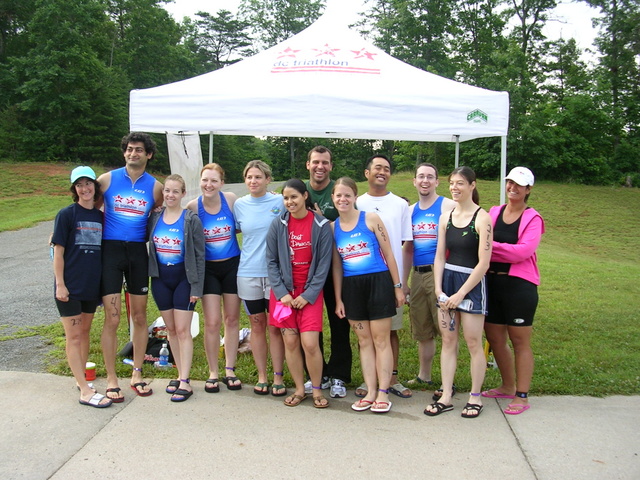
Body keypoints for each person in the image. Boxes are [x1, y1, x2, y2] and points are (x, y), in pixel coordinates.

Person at [97, 132, 163, 402]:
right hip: (110, 251)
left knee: (138, 317)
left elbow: (163, 213)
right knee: (112, 318)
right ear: (124, 152)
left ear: (148, 155)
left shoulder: (156, 186)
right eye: (129, 149)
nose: (133, 153)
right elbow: (85, 206)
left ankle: (136, 373)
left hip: (137, 252)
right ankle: (112, 378)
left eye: (139, 150)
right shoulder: (107, 179)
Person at [332, 177, 405, 414]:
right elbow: (336, 266)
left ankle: (383, 392)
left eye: (347, 195)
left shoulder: (370, 219)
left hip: (378, 283)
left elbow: (390, 254)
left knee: (381, 340)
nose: (343, 199)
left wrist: (397, 286)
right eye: (338, 195)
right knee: (364, 341)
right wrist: (339, 299)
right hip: (352, 288)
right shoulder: (333, 228)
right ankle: (371, 391)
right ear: (333, 198)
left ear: (355, 197)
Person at [425, 166, 492, 418]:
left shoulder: (482, 218)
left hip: (471, 286)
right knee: (449, 341)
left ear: (472, 185)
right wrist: (439, 290)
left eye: (460, 183)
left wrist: (461, 294)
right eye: (452, 183)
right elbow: (440, 256)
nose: (454, 187)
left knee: (473, 342)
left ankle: (475, 396)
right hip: (448, 284)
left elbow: (483, 263)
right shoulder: (446, 217)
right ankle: (446, 394)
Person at [482, 167, 544, 415]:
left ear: (528, 189)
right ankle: (507, 386)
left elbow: (523, 252)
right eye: (509, 182)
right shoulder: (494, 212)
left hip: (519, 286)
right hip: (492, 283)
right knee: (495, 339)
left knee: (520, 341)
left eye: (519, 184)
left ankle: (521, 395)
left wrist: (490, 246)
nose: (512, 188)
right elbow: (478, 241)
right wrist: (495, 247)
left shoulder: (533, 218)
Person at [266, 179, 333, 408]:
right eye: (285, 198)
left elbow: (324, 265)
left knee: (310, 343)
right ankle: (299, 389)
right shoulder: (278, 225)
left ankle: (316, 390)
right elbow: (271, 261)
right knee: (291, 342)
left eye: (294, 196)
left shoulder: (321, 225)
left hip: (309, 295)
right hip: (284, 295)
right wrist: (282, 292)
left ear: (305, 196)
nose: (290, 202)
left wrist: (308, 295)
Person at [52, 166, 111, 408]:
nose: (84, 188)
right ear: (74, 190)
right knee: (74, 336)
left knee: (85, 333)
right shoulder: (67, 215)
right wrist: (60, 285)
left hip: (91, 286)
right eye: (79, 185)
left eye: (88, 184)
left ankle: (81, 380)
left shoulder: (100, 216)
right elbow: (58, 251)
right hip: (70, 287)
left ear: (95, 188)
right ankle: (85, 391)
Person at [356, 154, 412, 399]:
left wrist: (403, 282)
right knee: (366, 333)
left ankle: (392, 379)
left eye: (387, 169)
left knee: (391, 331)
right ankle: (369, 381)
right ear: (367, 173)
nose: (382, 172)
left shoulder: (400, 204)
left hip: (391, 279)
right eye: (377, 167)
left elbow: (405, 245)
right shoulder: (356, 202)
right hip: (362, 278)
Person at [148, 174, 205, 402]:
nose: (170, 195)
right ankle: (181, 375)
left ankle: (185, 381)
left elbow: (200, 256)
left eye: (175, 191)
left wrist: (196, 287)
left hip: (184, 279)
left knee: (183, 331)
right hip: (161, 279)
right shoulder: (155, 218)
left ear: (183, 194)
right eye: (167, 191)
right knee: (170, 330)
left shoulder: (190, 219)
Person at [186, 164, 242, 393]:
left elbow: (240, 225)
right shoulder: (193, 207)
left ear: (221, 183)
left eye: (214, 181)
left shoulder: (230, 200)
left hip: (231, 265)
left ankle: (229, 369)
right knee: (212, 322)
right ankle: (213, 372)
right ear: (200, 181)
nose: (208, 185)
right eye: (205, 180)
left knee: (231, 320)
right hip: (208, 270)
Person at [233, 160, 286, 396]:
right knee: (257, 324)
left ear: (268, 180)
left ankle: (278, 376)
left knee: (276, 326)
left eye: (258, 177)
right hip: (248, 273)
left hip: (274, 275)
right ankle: (262, 376)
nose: (253, 181)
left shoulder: (280, 201)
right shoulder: (240, 205)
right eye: (249, 177)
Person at [402, 163, 455, 391]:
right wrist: (404, 284)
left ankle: (447, 382)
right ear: (414, 181)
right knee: (422, 330)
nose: (425, 181)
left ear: (437, 182)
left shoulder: (448, 206)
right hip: (418, 273)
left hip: (440, 274)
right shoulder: (411, 211)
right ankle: (424, 375)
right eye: (421, 176)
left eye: (430, 177)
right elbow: (407, 249)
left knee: (446, 329)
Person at [304, 145, 349, 398]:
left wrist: (322, 221)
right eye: (316, 162)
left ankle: (340, 375)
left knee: (339, 321)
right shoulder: (301, 191)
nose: (320, 166)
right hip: (308, 270)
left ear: (331, 166)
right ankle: (317, 374)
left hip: (337, 269)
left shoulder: (338, 192)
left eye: (325, 162)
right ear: (308, 165)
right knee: (311, 324)